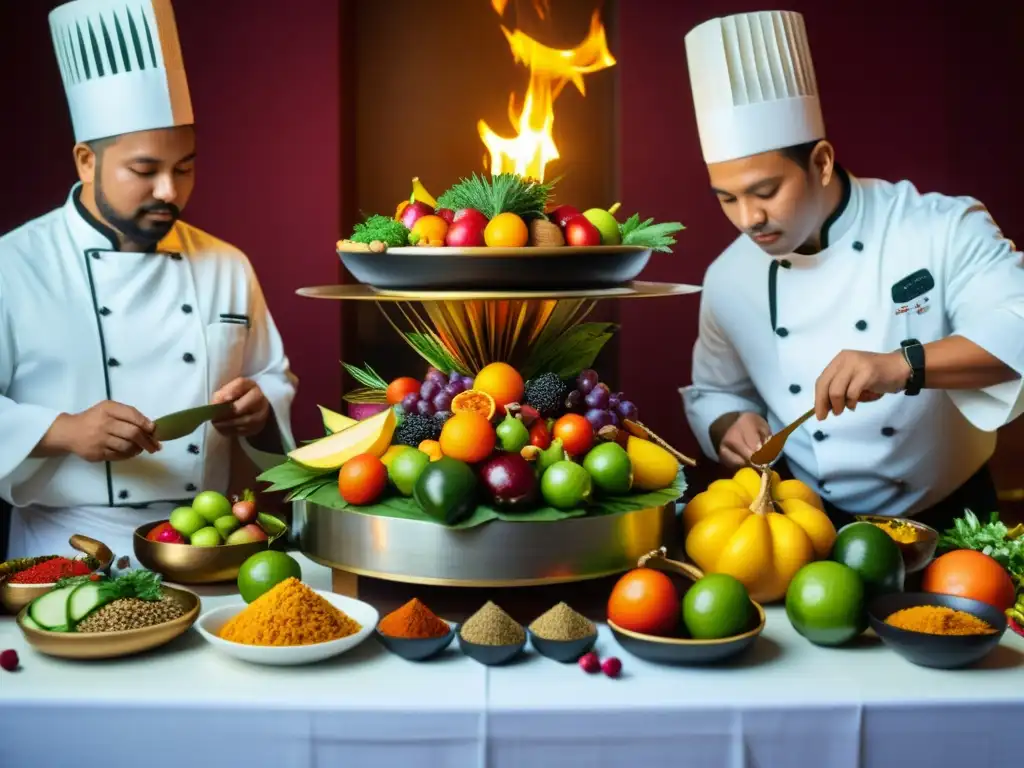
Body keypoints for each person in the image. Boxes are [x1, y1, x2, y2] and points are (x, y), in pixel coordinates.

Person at [679, 10, 1024, 531]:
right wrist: (729, 424)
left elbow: (1019, 324)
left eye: (766, 191)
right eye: (727, 198)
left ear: (820, 161)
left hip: (954, 518)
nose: (748, 218)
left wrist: (900, 365)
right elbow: (714, 391)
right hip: (808, 524)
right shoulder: (728, 278)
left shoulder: (940, 225)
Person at [0, 0, 297, 560]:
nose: (170, 191)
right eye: (145, 170)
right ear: (86, 161)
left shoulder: (227, 264)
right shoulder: (13, 265)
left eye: (185, 167)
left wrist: (259, 410)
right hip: (62, 546)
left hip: (205, 542)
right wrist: (62, 430)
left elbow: (271, 379)